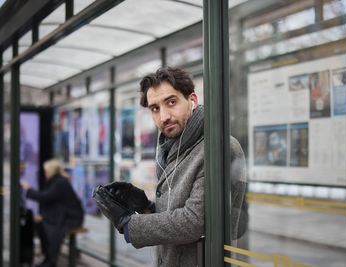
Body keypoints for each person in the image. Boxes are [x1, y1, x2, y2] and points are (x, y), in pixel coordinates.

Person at [94, 67, 246, 266]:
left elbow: (194, 222)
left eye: (171, 102)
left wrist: (128, 223)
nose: (164, 116)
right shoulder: (173, 147)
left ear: (192, 100)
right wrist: (146, 207)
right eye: (155, 108)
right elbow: (178, 209)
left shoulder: (218, 147)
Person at [20, 159, 84, 267]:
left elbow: (45, 197)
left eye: (46, 171)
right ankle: (48, 258)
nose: (45, 173)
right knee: (41, 224)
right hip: (62, 215)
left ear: (51, 171)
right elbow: (51, 202)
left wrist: (28, 189)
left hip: (71, 218)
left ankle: (51, 261)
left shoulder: (60, 182)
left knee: (50, 226)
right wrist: (44, 215)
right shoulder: (56, 181)